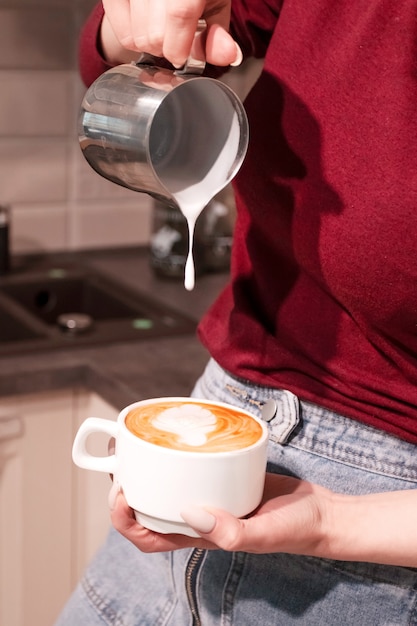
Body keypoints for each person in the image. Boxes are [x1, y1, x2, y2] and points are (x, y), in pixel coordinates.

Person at [56, 2, 417, 624]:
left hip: (381, 524)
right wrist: (138, 21)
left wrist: (332, 522)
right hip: (228, 399)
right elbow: (111, 51)